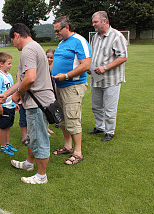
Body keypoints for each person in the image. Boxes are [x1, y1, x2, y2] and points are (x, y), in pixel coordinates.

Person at [0, 23, 54, 184]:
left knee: (39, 138)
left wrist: (17, 94)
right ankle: (29, 164)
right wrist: (7, 94)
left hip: (37, 103)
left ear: (17, 35)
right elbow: (22, 80)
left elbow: (30, 79)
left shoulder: (28, 50)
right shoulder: (35, 46)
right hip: (38, 102)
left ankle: (41, 176)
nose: (13, 44)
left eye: (12, 40)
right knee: (31, 136)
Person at [52, 16, 91, 166]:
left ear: (66, 27)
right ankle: (67, 146)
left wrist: (66, 75)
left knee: (72, 118)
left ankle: (78, 152)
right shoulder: (62, 43)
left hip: (73, 86)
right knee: (62, 118)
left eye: (58, 30)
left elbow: (86, 65)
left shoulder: (79, 41)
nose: (56, 33)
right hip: (60, 86)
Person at [88, 11, 128, 142]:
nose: (93, 24)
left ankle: (109, 131)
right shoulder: (95, 37)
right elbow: (94, 55)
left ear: (104, 21)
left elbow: (123, 57)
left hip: (111, 80)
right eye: (93, 22)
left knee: (109, 108)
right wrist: (90, 68)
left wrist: (105, 67)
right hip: (96, 79)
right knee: (96, 106)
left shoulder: (116, 36)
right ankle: (100, 126)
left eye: (96, 22)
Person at [0, 52, 19, 156]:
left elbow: (12, 91)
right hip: (3, 107)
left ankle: (7, 144)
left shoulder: (9, 75)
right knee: (3, 127)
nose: (10, 65)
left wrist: (15, 103)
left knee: (8, 126)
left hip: (10, 106)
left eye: (11, 63)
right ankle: (3, 146)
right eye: (8, 63)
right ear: (1, 64)